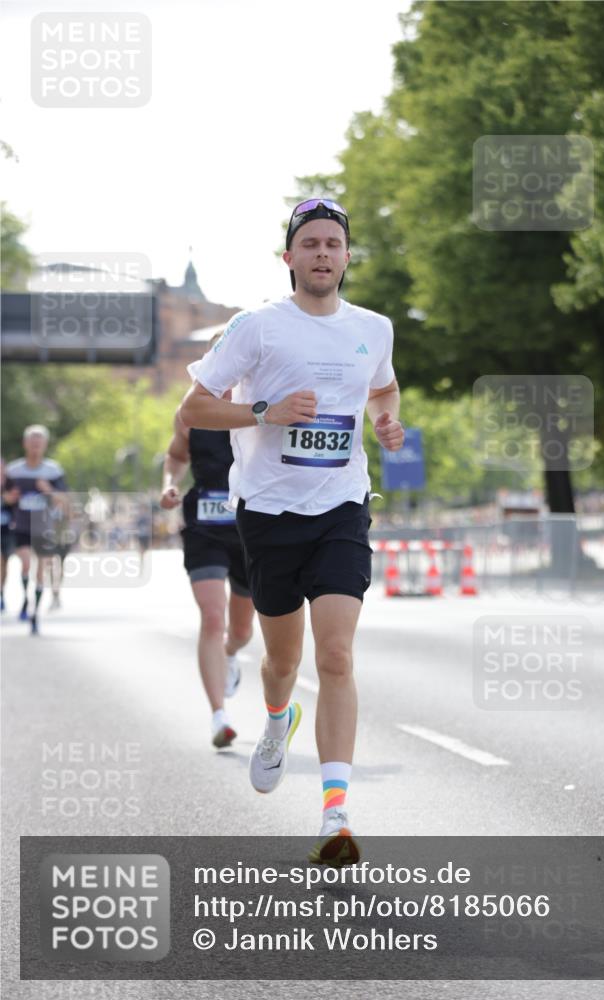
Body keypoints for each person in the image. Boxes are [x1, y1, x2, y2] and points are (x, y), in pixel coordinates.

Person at [179, 198, 404, 865]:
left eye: (333, 243)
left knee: (334, 655)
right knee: (282, 662)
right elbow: (193, 409)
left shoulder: (373, 328)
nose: (322, 254)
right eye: (309, 244)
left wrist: (387, 422)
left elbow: (384, 392)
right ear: (289, 257)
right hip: (270, 515)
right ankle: (278, 719)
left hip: (340, 507)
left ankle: (336, 813)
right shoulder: (256, 328)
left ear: (346, 255)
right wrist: (262, 410)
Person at [161, 352, 255, 749]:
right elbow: (177, 455)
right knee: (212, 618)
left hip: (251, 528)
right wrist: (169, 483)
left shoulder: (260, 408)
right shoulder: (191, 410)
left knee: (241, 631)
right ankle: (219, 715)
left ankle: (231, 654)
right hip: (203, 526)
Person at [7, 425, 69, 634]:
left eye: (39, 443)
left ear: (44, 445)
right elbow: (5, 497)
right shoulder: (13, 471)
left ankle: (35, 613)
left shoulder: (53, 471)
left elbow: (65, 499)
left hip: (44, 526)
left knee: (41, 571)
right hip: (21, 525)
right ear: (25, 444)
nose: (35, 447)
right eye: (32, 442)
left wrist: (49, 490)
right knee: (25, 566)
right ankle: (25, 599)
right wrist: (8, 498)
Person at [1, 457, 19, 612]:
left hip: (7, 529)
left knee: (4, 565)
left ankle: (1, 592)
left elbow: (16, 500)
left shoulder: (11, 484)